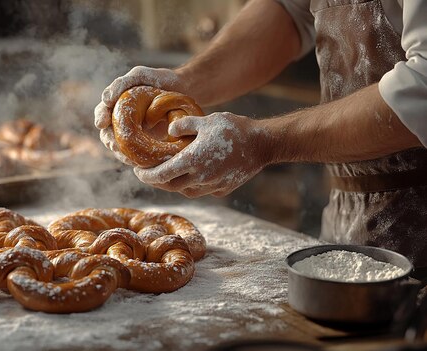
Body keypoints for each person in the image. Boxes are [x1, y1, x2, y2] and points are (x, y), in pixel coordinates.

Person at [94, 0, 427, 269]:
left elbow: (422, 85)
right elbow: (287, 10)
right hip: (347, 224)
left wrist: (265, 142)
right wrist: (185, 83)